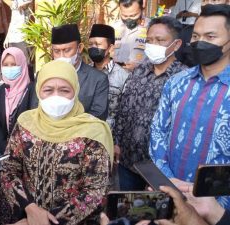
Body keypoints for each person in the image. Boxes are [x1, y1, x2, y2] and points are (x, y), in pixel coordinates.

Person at [0, 60, 113, 225]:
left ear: (75, 91)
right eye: (48, 90)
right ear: (38, 91)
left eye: (64, 90)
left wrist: (48, 221)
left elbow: (96, 191)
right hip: (24, 215)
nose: (56, 96)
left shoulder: (93, 132)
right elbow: (9, 169)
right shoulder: (26, 122)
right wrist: (30, 208)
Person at [149, 4, 230, 209]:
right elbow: (158, 131)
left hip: (218, 207)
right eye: (195, 36)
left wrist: (215, 203)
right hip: (169, 195)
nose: (200, 42)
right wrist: (169, 181)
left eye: (210, 37)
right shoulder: (177, 82)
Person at [114, 16, 186, 191]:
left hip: (161, 169)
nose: (153, 45)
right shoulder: (139, 71)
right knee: (127, 212)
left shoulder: (184, 79)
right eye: (150, 40)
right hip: (128, 161)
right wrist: (116, 141)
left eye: (160, 40)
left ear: (176, 45)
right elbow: (124, 108)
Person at [30, 24, 109, 120]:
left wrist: (69, 130)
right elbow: (35, 109)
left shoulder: (97, 79)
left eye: (67, 50)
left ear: (79, 48)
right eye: (57, 51)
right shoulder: (42, 75)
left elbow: (97, 116)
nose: (62, 56)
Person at [0, 47, 31, 160]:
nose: (9, 68)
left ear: (22, 65)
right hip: (4, 151)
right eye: (5, 65)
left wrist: (18, 150)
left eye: (13, 64)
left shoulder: (32, 91)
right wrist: (3, 147)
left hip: (26, 153)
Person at [88, 24, 129, 128]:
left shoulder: (123, 76)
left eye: (98, 44)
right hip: (85, 132)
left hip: (110, 133)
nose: (93, 47)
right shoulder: (84, 73)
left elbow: (125, 112)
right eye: (90, 44)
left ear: (110, 48)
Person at [112, 0, 150, 72]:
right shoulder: (115, 27)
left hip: (140, 78)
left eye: (133, 15)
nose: (128, 19)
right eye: (125, 16)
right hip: (115, 78)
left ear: (142, 9)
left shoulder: (151, 28)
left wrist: (139, 67)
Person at [3, 0, 33, 79]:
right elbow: (13, 22)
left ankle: (31, 86)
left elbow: (25, 5)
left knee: (27, 64)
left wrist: (24, 4)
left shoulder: (24, 3)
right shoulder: (16, 2)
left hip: (22, 37)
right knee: (16, 64)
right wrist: (7, 38)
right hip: (13, 38)